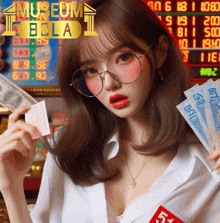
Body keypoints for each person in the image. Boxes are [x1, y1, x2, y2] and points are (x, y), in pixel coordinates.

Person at [0, 0, 220, 222]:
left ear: (160, 52)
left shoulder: (209, 159)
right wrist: (11, 188)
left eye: (123, 57)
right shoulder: (66, 150)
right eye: (90, 70)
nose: (109, 83)